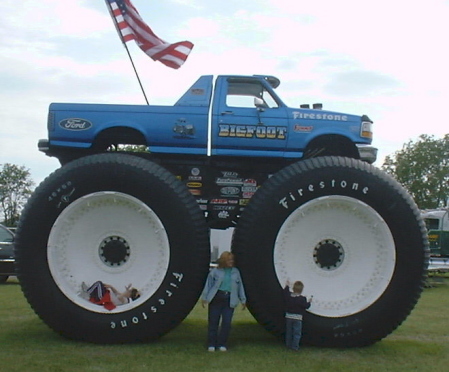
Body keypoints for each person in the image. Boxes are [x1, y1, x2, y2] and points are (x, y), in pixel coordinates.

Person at [201, 251, 246, 352]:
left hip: (229, 299)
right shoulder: (215, 272)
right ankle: (212, 344)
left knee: (226, 322)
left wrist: (243, 299)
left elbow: (240, 287)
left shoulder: (236, 272)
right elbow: (208, 285)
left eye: (232, 260)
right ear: (224, 261)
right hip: (216, 298)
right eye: (229, 260)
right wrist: (205, 298)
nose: (231, 262)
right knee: (213, 322)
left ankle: (222, 343)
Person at [284, 280, 312, 351]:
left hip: (289, 317)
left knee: (289, 332)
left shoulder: (289, 297)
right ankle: (295, 347)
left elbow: (285, 293)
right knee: (296, 333)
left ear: (293, 288)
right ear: (301, 290)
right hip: (298, 318)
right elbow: (306, 306)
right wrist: (309, 302)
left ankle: (288, 345)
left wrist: (287, 285)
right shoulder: (302, 299)